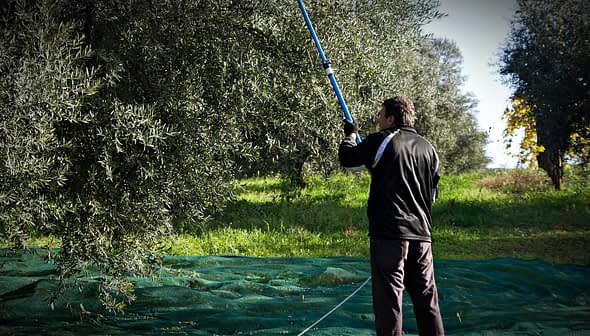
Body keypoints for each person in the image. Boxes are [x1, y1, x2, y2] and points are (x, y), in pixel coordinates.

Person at [338, 96, 445, 336]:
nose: (377, 120)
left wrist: (349, 136)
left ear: (391, 118)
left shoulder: (382, 140)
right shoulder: (429, 148)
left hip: (389, 234)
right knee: (427, 299)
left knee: (389, 301)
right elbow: (433, 194)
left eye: (380, 115)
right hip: (422, 236)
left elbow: (348, 158)